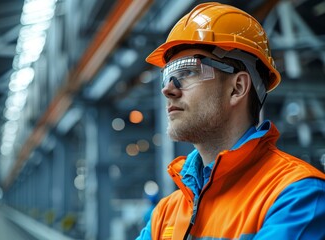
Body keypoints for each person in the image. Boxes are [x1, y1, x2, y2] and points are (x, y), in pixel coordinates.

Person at [136, 2, 325, 240]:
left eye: (188, 72)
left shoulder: (297, 196)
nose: (168, 90)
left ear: (237, 88)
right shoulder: (164, 215)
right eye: (167, 77)